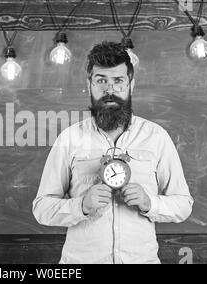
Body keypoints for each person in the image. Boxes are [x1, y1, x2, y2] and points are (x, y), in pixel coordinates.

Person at [32, 41, 193, 264]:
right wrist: (81, 206)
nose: (110, 90)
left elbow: (183, 204)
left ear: (131, 85)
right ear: (90, 84)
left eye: (118, 81)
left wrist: (149, 203)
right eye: (101, 81)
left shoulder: (156, 137)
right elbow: (42, 208)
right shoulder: (69, 139)